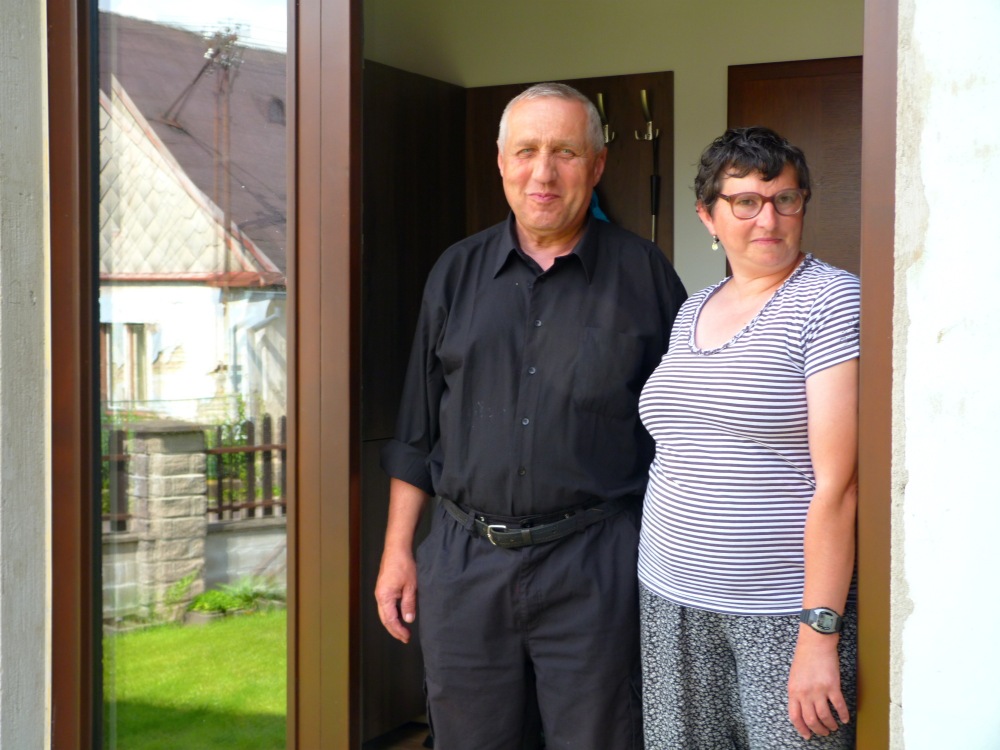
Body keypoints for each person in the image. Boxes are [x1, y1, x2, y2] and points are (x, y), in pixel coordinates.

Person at [375, 82, 687, 750]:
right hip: (465, 562)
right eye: (527, 151)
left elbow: (682, 435)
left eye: (564, 153)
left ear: (597, 166)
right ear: (501, 162)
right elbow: (417, 429)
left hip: (595, 564)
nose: (543, 172)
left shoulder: (646, 275)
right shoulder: (455, 273)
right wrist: (398, 551)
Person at [637, 126, 860, 749]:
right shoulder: (694, 307)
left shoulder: (831, 300)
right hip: (669, 595)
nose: (768, 218)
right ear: (708, 216)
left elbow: (840, 485)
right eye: (745, 202)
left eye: (785, 199)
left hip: (780, 611)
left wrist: (819, 633)